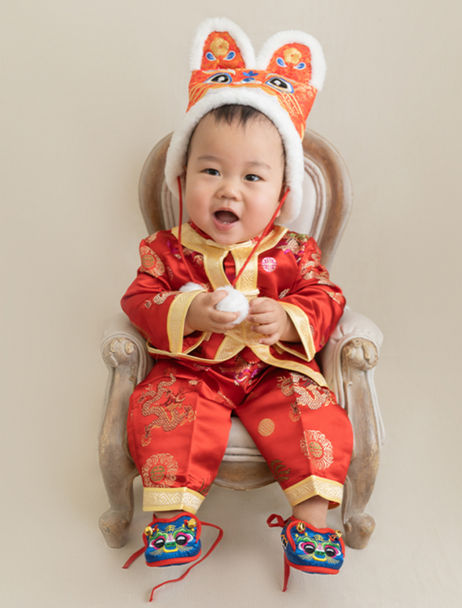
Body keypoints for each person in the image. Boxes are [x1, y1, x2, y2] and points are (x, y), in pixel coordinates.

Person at [121, 18, 353, 597]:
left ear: (281, 197)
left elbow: (327, 296)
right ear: (182, 182)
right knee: (166, 410)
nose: (229, 189)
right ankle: (172, 517)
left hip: (273, 370)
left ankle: (313, 525)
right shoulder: (167, 250)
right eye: (211, 171)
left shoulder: (294, 251)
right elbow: (140, 300)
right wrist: (191, 311)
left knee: (312, 414)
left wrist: (289, 318)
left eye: (252, 177)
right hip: (193, 370)